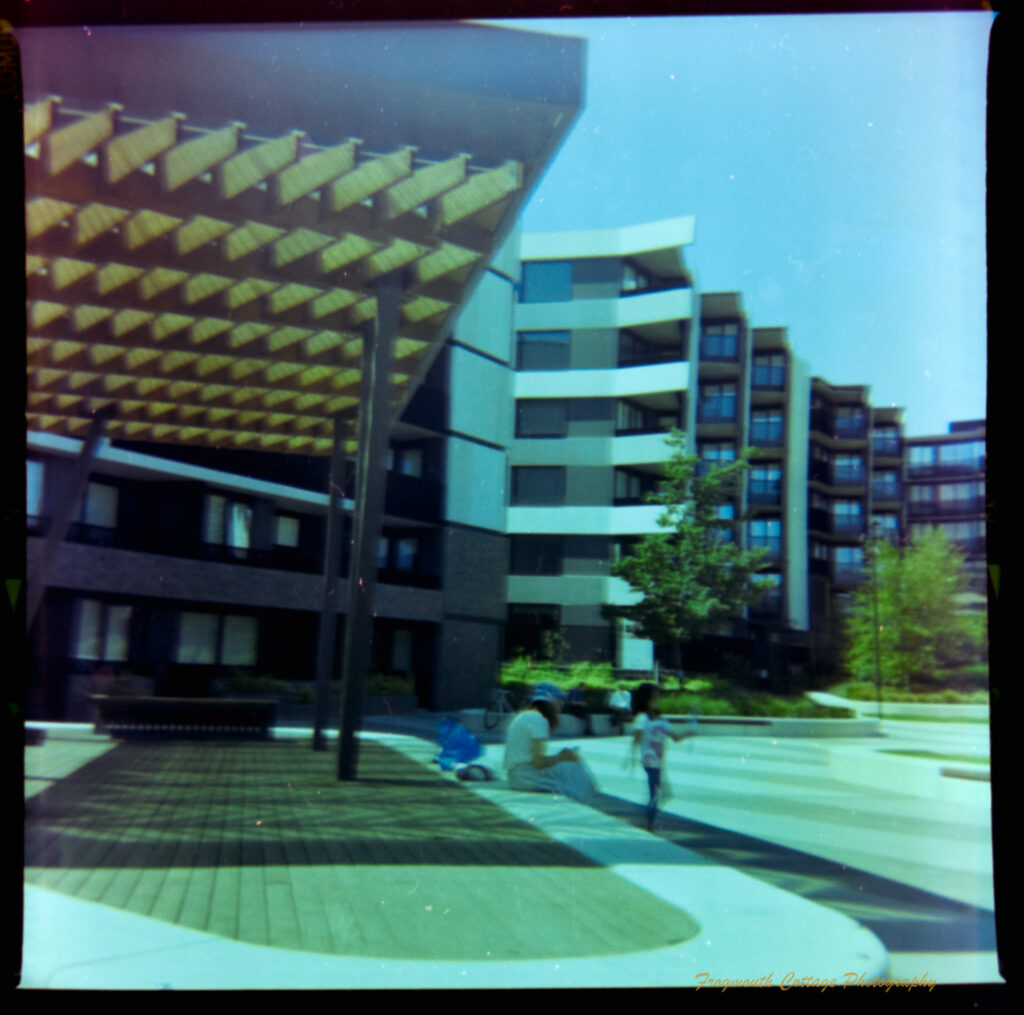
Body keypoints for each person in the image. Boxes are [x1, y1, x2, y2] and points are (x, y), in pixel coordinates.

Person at [503, 682, 597, 804]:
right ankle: (585, 801)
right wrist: (561, 757)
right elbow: (539, 762)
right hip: (527, 777)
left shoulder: (524, 716)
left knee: (567, 763)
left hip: (515, 776)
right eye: (559, 701)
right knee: (573, 764)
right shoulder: (539, 720)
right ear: (551, 702)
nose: (560, 707)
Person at [631, 682, 696, 831]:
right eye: (655, 696)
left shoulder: (661, 719)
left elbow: (675, 737)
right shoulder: (642, 718)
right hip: (650, 761)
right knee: (655, 792)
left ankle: (649, 819)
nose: (658, 699)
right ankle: (649, 823)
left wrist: (688, 732)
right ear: (647, 699)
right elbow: (637, 737)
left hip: (658, 762)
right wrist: (633, 755)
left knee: (658, 792)